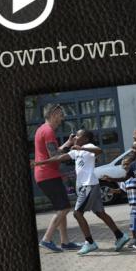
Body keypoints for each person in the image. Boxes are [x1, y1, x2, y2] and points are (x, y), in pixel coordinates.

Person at [44, 129, 130, 255]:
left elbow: (99, 151)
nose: (75, 136)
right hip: (88, 185)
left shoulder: (88, 147)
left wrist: (82, 148)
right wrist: (40, 163)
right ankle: (120, 236)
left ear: (85, 139)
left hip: (88, 185)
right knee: (100, 213)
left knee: (77, 213)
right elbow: (60, 157)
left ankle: (89, 242)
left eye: (78, 135)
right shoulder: (76, 150)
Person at [32, 104, 80, 253]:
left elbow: (53, 152)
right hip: (48, 175)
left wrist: (68, 143)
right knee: (65, 208)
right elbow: (54, 156)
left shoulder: (42, 129)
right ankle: (46, 239)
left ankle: (65, 242)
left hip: (46, 175)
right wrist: (73, 154)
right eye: (60, 114)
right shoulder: (48, 131)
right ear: (52, 114)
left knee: (62, 208)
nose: (62, 117)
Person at [102, 142, 136, 247]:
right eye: (132, 148)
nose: (132, 150)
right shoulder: (134, 165)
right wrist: (111, 179)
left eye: (135, 148)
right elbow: (125, 178)